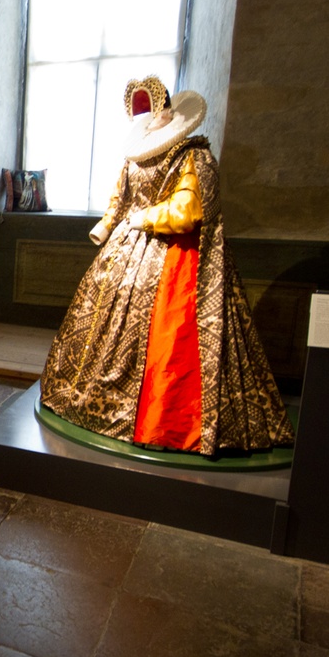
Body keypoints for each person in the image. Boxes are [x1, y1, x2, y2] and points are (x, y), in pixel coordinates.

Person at [39, 77, 293, 455]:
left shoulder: (193, 155)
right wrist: (107, 225)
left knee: (173, 337)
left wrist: (143, 218)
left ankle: (168, 423)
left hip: (176, 257)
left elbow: (188, 211)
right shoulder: (135, 155)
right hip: (126, 250)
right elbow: (120, 197)